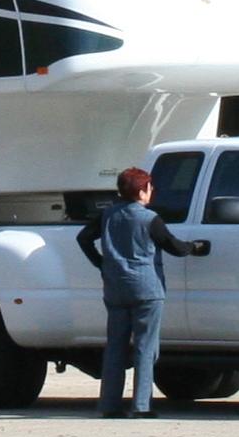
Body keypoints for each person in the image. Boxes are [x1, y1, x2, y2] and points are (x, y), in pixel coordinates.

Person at [76, 166, 210, 417]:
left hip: (115, 287)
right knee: (145, 347)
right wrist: (195, 247)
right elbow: (174, 247)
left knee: (115, 347)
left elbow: (83, 238)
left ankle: (109, 405)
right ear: (142, 190)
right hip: (147, 288)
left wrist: (102, 263)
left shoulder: (107, 215)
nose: (152, 191)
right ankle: (141, 406)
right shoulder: (149, 218)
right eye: (149, 187)